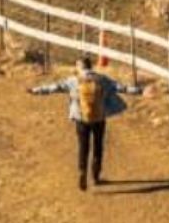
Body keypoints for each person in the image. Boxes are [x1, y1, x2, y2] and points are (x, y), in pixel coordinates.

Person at [28, 55, 145, 190]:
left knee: (83, 146)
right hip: (99, 117)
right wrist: (140, 91)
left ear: (80, 66)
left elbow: (55, 87)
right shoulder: (102, 79)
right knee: (98, 145)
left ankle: (82, 171)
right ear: (91, 66)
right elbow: (121, 88)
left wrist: (35, 90)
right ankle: (95, 174)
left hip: (80, 117)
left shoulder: (73, 81)